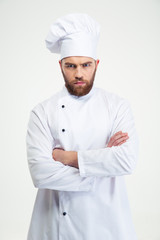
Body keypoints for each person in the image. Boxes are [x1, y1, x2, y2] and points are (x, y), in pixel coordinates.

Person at [26, 13, 138, 240]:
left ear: (96, 64)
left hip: (108, 222)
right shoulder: (42, 112)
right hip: (55, 223)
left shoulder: (117, 107)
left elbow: (126, 160)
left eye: (86, 65)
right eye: (71, 66)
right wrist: (103, 162)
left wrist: (65, 157)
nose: (79, 74)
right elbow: (41, 173)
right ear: (60, 65)